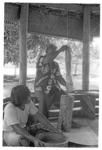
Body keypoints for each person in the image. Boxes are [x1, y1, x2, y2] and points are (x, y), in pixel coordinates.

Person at [34, 44, 68, 118]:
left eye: (54, 50)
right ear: (46, 51)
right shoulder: (42, 59)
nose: (53, 51)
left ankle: (67, 121)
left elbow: (58, 76)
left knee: (66, 99)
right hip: (40, 88)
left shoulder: (56, 64)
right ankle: (42, 123)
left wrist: (66, 84)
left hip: (54, 88)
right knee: (43, 101)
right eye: (51, 50)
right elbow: (49, 58)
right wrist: (60, 50)